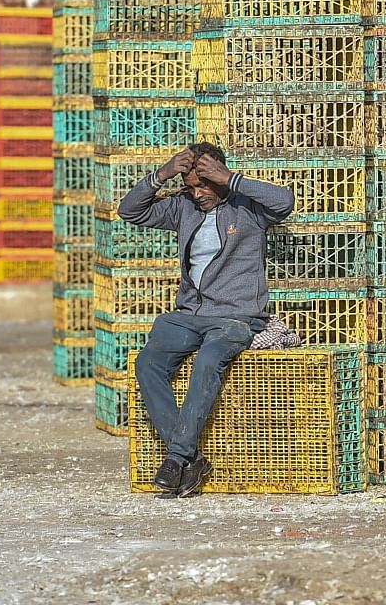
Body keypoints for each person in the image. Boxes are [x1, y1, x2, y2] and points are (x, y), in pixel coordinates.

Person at [118, 142, 295, 497]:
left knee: (209, 358)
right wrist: (162, 174)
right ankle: (191, 457)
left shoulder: (250, 210)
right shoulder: (183, 208)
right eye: (191, 186)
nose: (198, 193)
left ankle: (177, 457)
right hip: (188, 316)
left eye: (204, 185)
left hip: (237, 316)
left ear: (219, 178)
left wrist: (230, 179)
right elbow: (129, 210)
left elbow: (285, 201)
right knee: (148, 362)